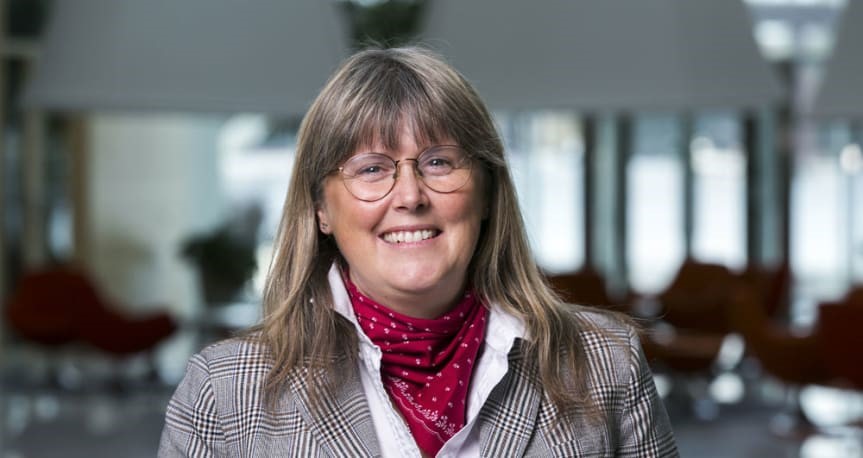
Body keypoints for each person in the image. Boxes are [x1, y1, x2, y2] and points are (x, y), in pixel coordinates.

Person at [159, 46, 678, 457]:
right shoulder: (223, 393)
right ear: (320, 209)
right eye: (371, 169)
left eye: (438, 163)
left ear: (487, 193)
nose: (410, 196)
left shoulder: (606, 365)